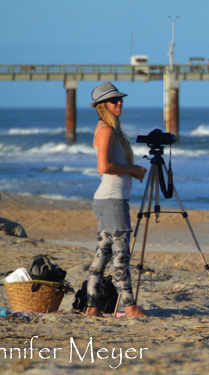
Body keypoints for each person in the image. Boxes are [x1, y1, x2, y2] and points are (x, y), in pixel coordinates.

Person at [85, 82, 148, 318]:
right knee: (120, 255)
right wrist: (132, 169)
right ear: (102, 106)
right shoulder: (105, 130)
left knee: (103, 253)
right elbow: (104, 168)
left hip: (110, 200)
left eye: (120, 99)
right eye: (114, 101)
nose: (119, 103)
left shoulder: (110, 130)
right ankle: (130, 307)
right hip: (112, 201)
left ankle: (92, 307)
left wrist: (130, 169)